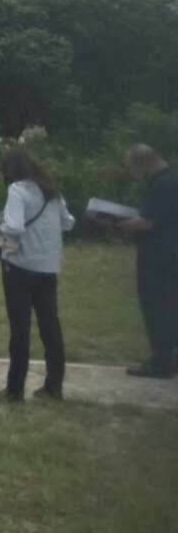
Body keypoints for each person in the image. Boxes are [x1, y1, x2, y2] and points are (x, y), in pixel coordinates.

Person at [0, 148, 75, 400]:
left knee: (20, 328)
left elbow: (14, 227)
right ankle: (54, 385)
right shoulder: (51, 191)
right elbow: (68, 222)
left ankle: (15, 389)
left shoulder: (17, 190)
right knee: (50, 326)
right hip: (48, 266)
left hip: (19, 265)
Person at [100, 145, 177, 379]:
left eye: (131, 167)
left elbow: (147, 222)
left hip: (158, 256)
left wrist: (115, 223)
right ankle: (169, 357)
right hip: (170, 253)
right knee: (170, 306)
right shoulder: (170, 180)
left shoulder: (161, 185)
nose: (131, 173)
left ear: (142, 163)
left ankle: (160, 362)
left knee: (156, 307)